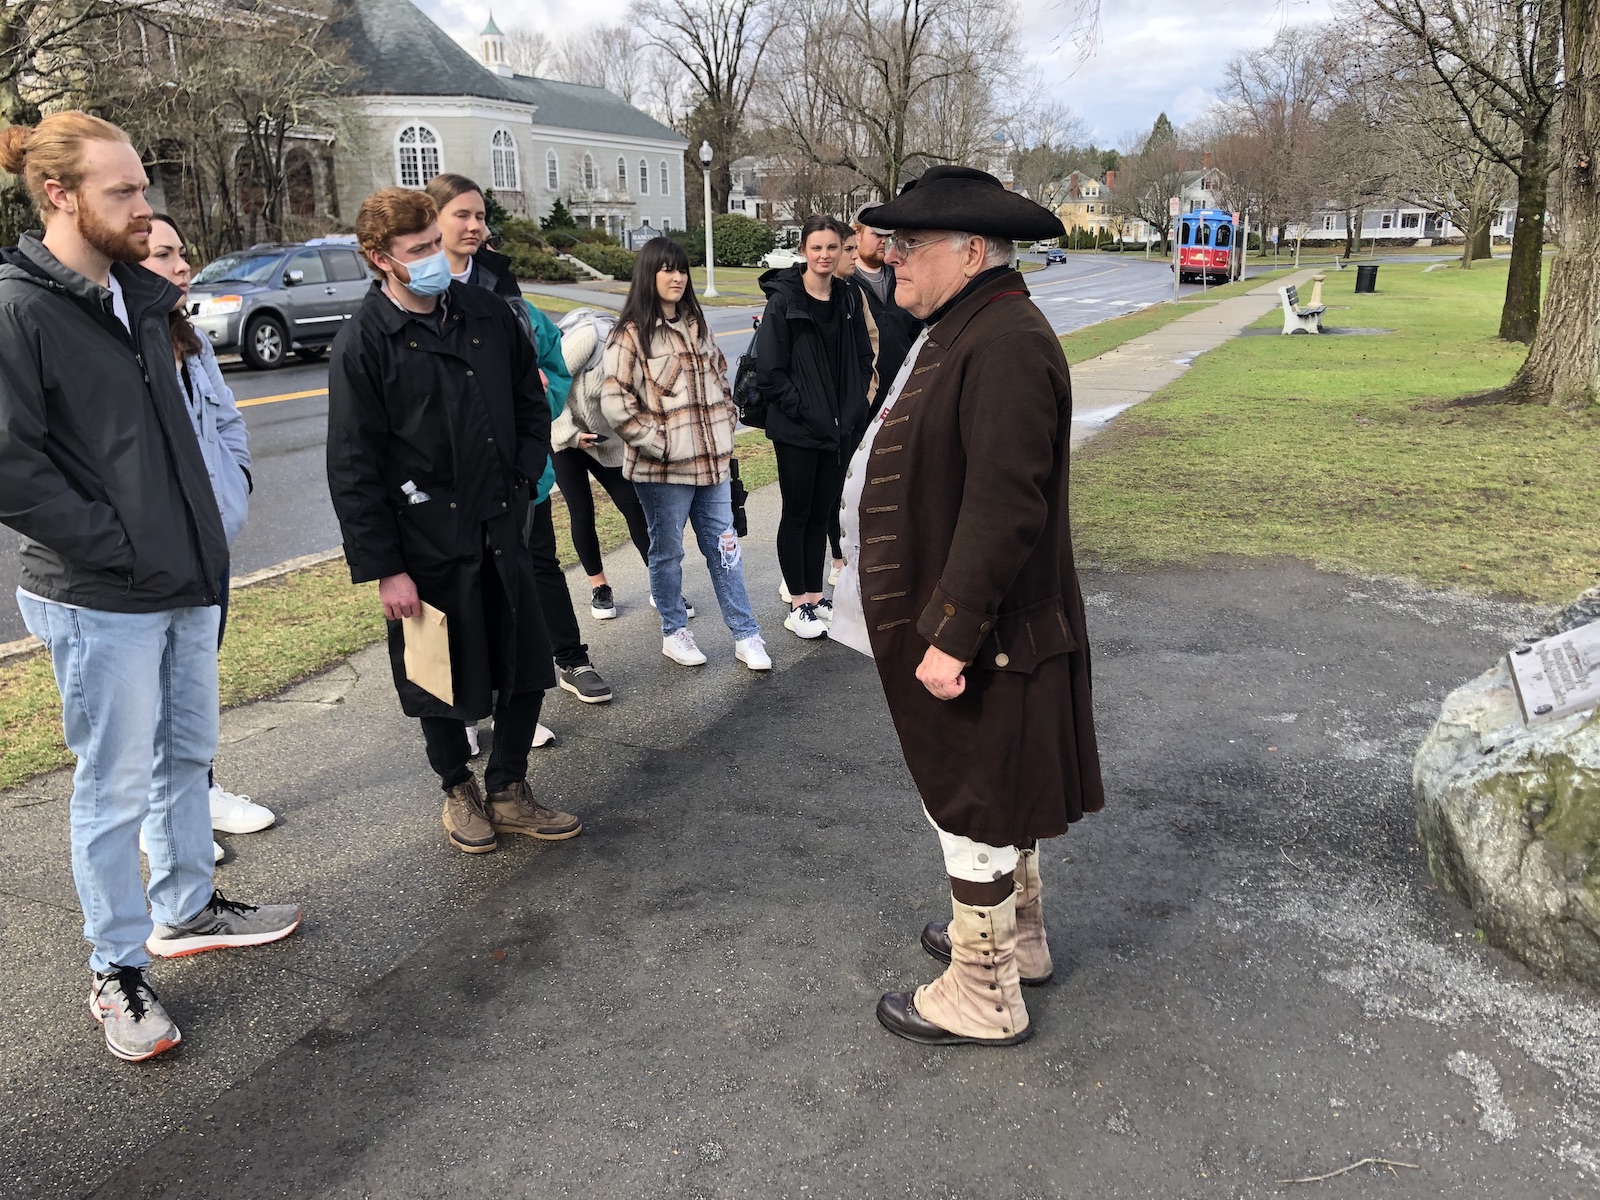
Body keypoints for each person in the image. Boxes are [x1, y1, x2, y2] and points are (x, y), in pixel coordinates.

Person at [0, 113, 301, 1063]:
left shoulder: (141, 295)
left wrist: (200, 542)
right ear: (61, 195)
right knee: (113, 786)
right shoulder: (21, 309)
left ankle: (186, 906)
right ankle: (116, 971)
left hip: (181, 580)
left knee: (186, 757)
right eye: (124, 191)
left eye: (143, 188)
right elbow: (12, 467)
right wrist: (117, 546)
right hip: (100, 594)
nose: (145, 207)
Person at [830, 166, 1105, 1047]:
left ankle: (982, 992)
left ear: (972, 250)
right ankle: (1014, 942)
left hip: (982, 635)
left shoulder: (1007, 339)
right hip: (976, 627)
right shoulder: (970, 323)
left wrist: (948, 636)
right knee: (996, 793)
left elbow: (1005, 502)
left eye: (910, 246)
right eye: (892, 244)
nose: (891, 259)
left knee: (974, 802)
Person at [326, 187, 582, 855]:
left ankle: (509, 786)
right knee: (438, 674)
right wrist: (385, 568)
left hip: (502, 519)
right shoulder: (365, 342)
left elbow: (531, 401)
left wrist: (526, 476)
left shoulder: (484, 312)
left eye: (434, 245)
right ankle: (457, 788)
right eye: (418, 252)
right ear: (382, 259)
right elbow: (353, 465)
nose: (435, 260)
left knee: (526, 663)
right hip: (423, 539)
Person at [424, 173, 612, 709]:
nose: (475, 225)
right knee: (462, 588)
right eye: (462, 214)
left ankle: (568, 659)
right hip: (452, 482)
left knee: (537, 569)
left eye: (481, 216)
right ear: (432, 220)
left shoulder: (507, 297)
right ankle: (457, 703)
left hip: (520, 470)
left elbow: (551, 371)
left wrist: (538, 405)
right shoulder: (413, 301)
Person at [140, 214, 278, 862]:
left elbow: (225, 420)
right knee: (155, 686)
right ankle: (158, 813)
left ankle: (201, 790)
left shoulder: (185, 338)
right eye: (164, 255)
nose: (181, 265)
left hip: (208, 545)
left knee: (195, 678)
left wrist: (235, 485)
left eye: (181, 253)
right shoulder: (119, 344)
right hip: (150, 556)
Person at [601, 236, 770, 672]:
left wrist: (727, 419)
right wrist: (660, 444)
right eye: (667, 270)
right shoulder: (631, 335)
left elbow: (719, 378)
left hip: (712, 465)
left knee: (725, 547)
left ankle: (746, 633)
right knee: (668, 552)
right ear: (649, 275)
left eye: (682, 270)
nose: (677, 278)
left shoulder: (697, 323)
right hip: (662, 472)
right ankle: (674, 631)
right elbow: (615, 401)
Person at [754, 215, 873, 640]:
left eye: (832, 248)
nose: (824, 255)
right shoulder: (784, 300)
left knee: (823, 511)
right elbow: (770, 372)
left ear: (843, 250)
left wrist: (855, 405)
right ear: (804, 251)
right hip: (797, 429)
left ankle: (814, 594)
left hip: (839, 428)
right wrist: (808, 411)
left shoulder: (845, 296)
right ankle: (798, 603)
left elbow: (862, 356)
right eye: (816, 248)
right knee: (798, 513)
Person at [549, 307, 656, 619]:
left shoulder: (643, 355)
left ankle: (662, 584)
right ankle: (600, 588)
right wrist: (569, 435)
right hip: (564, 432)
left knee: (634, 506)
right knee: (581, 510)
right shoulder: (589, 339)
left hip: (606, 439)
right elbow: (546, 384)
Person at [827, 221, 880, 588]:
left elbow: (870, 348)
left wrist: (866, 397)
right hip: (814, 420)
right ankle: (803, 581)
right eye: (844, 250)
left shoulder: (852, 294)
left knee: (849, 486)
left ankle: (843, 559)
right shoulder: (794, 296)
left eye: (847, 249)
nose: (849, 257)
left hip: (852, 412)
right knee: (817, 499)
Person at [850, 214, 920, 415]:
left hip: (901, 392)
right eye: (877, 235)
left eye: (889, 237)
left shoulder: (903, 278)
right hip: (861, 398)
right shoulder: (844, 283)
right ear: (857, 234)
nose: (884, 242)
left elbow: (916, 331)